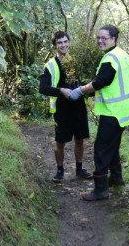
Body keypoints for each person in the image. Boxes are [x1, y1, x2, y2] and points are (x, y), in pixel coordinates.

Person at [69, 24, 129, 201]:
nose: (100, 41)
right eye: (98, 38)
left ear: (113, 39)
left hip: (113, 112)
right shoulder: (122, 54)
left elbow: (100, 82)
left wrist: (80, 90)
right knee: (112, 145)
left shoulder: (109, 59)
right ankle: (116, 178)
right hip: (124, 110)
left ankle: (100, 190)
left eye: (104, 38)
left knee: (101, 148)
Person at [39, 30, 92, 183]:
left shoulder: (75, 61)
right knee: (60, 141)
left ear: (69, 43)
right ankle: (60, 171)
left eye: (65, 41)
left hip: (78, 106)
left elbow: (81, 82)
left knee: (80, 139)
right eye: (59, 42)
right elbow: (43, 88)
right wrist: (61, 90)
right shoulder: (50, 65)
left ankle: (80, 169)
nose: (63, 45)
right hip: (62, 108)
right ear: (55, 46)